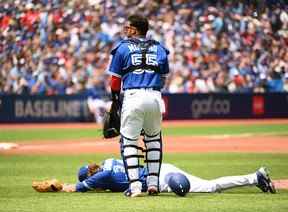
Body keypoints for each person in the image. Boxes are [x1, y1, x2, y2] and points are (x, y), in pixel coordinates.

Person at [106, 15, 170, 197]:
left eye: (128, 27)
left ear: (134, 30)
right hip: (155, 96)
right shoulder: (159, 47)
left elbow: (115, 81)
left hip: (133, 96)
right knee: (154, 141)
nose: (126, 31)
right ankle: (153, 184)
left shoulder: (122, 48)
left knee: (129, 142)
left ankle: (134, 187)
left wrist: (115, 100)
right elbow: (163, 77)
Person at [52, 158, 276, 195]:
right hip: (161, 168)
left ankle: (255, 177)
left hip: (160, 180)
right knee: (209, 185)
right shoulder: (109, 161)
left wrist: (58, 187)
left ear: (89, 177)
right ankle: (256, 178)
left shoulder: (100, 177)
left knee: (209, 187)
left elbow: (76, 188)